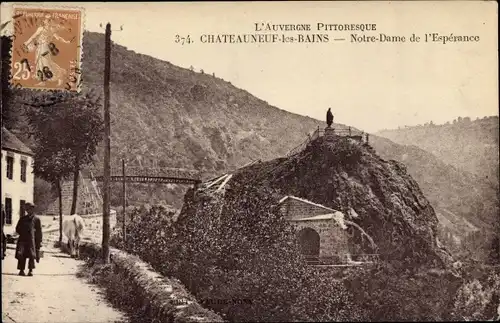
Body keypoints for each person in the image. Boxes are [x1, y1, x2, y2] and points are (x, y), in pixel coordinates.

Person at [15, 203, 42, 276]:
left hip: (31, 240)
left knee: (31, 255)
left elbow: (39, 232)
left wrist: (39, 241)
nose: (28, 210)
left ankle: (30, 270)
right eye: (27, 209)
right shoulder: (22, 219)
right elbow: (17, 228)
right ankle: (21, 270)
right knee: (21, 254)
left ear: (33, 209)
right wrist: (23, 232)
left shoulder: (36, 219)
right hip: (23, 240)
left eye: (30, 209)